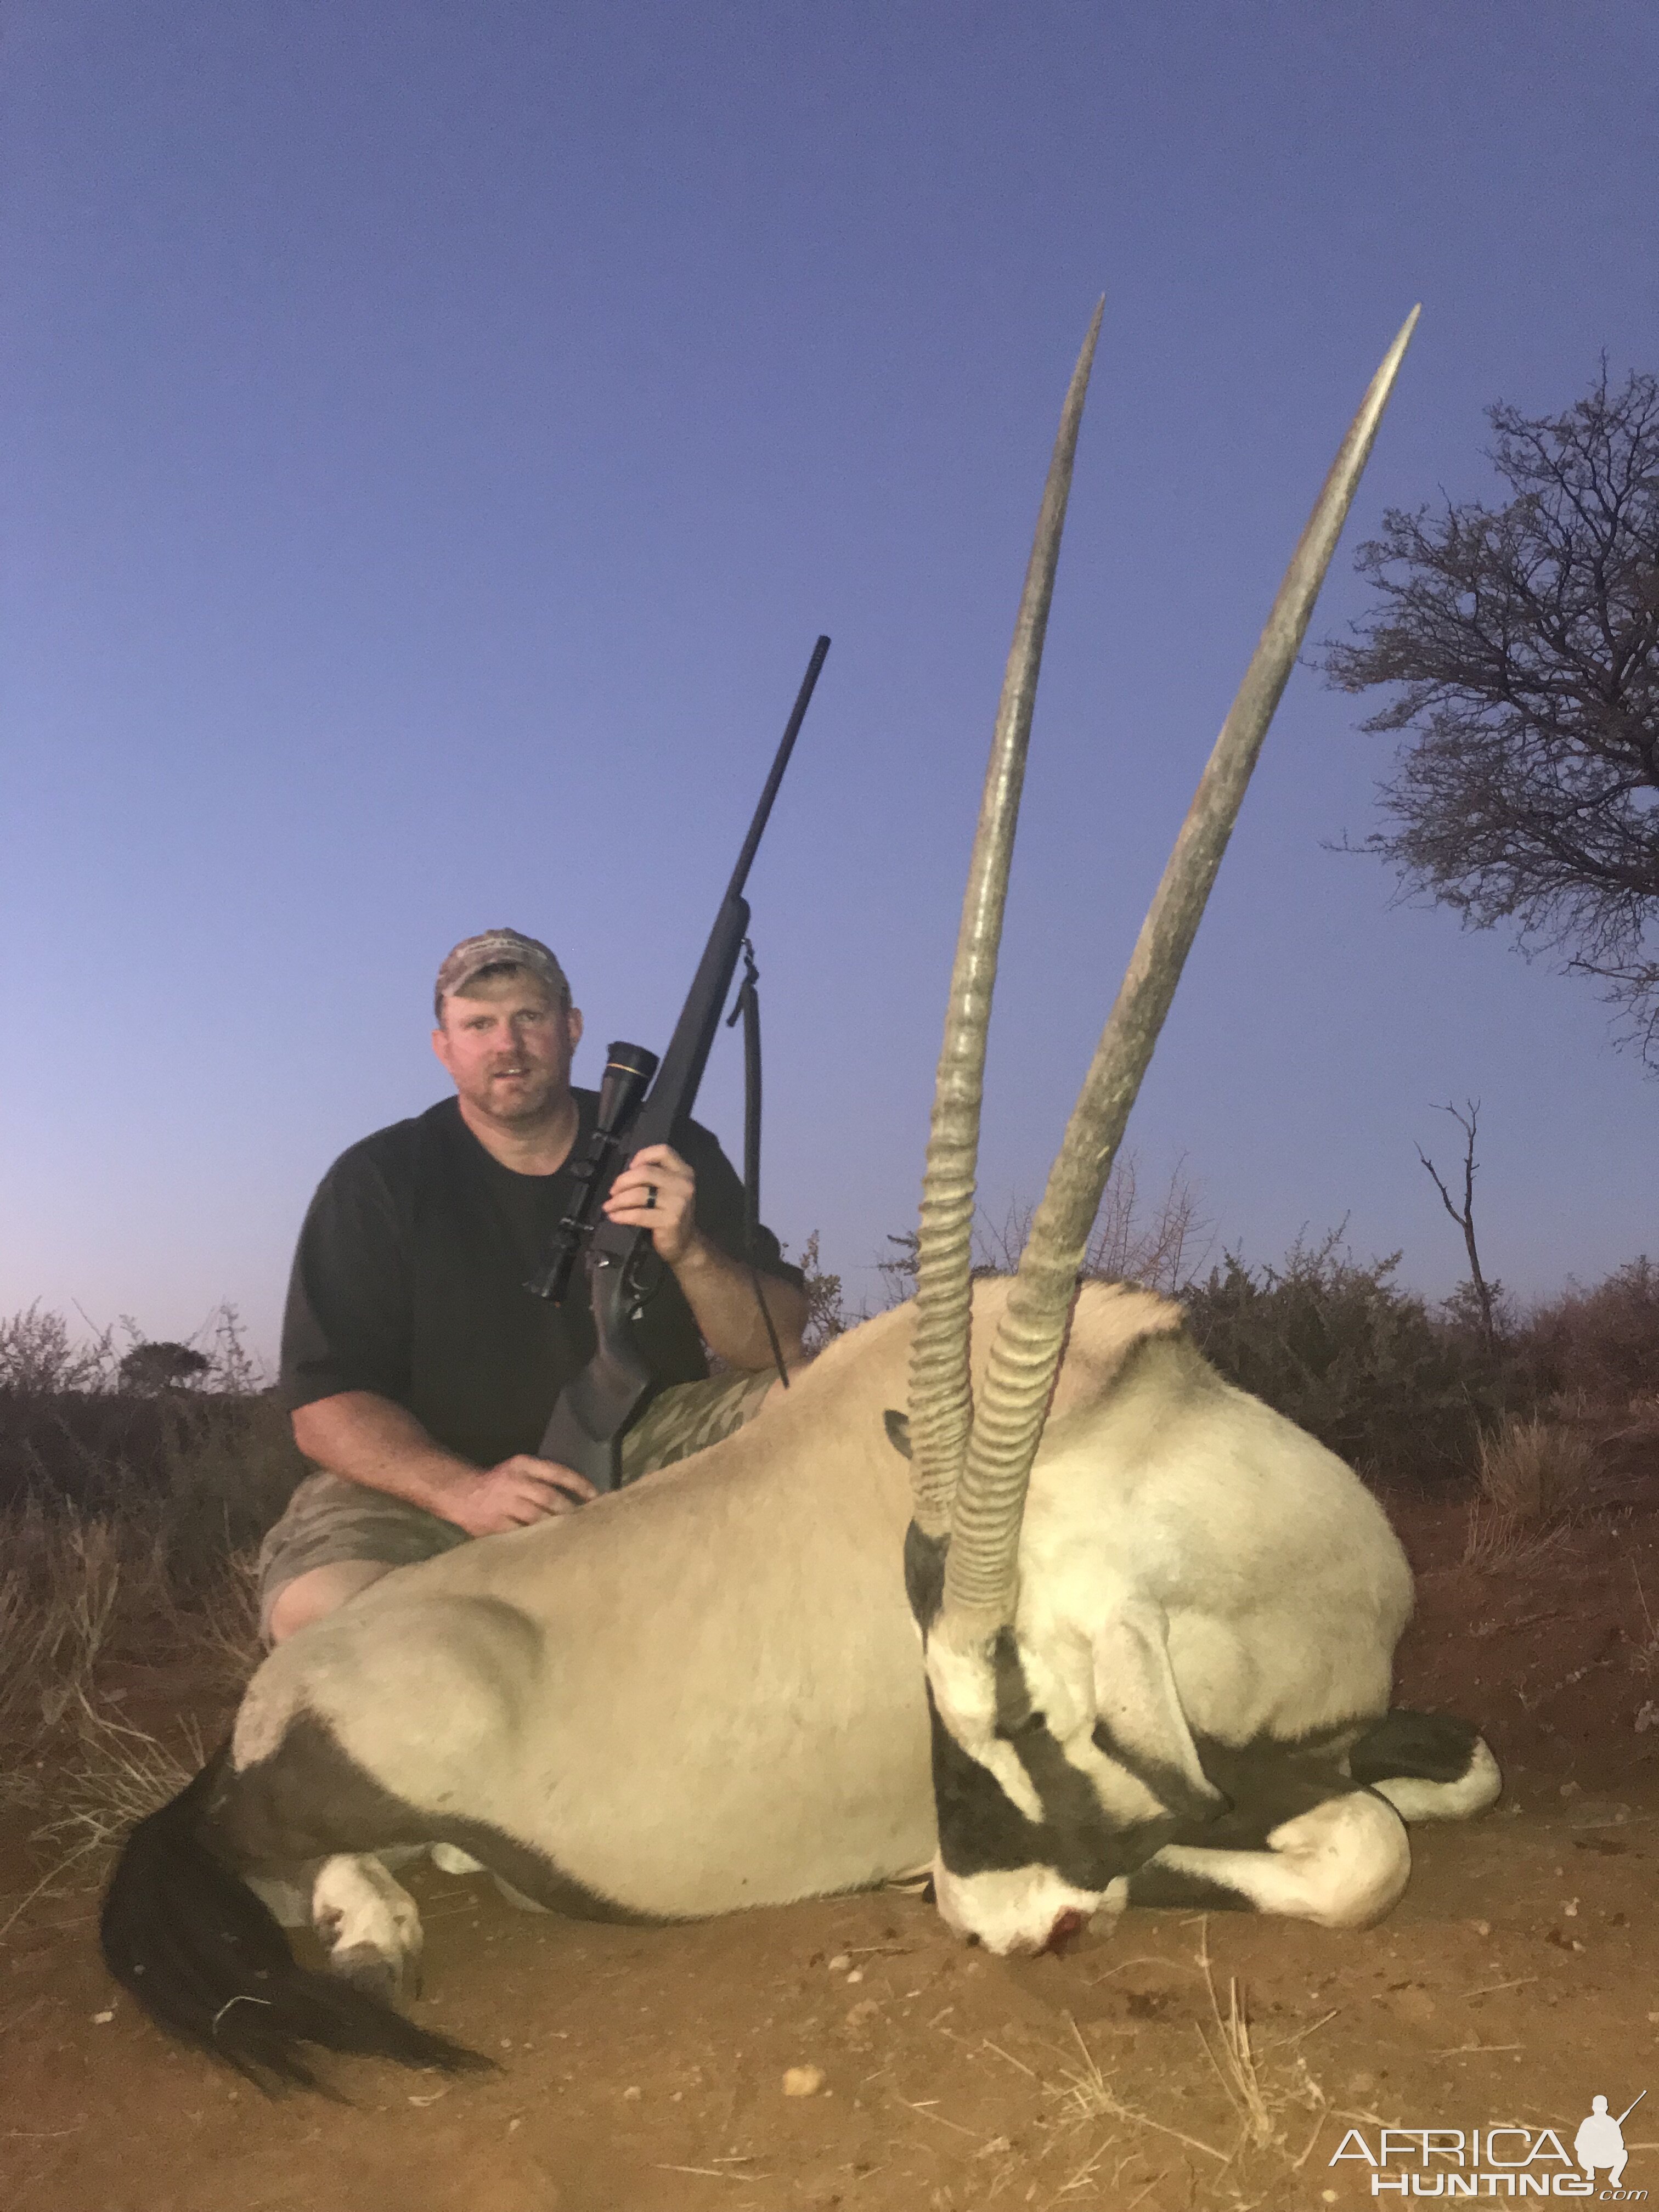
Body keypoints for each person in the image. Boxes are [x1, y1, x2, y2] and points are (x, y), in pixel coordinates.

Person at [258, 928, 809, 1645]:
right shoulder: (378, 1181)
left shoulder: (670, 1147)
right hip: (432, 1477)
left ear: (571, 1029)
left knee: (819, 1397)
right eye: (478, 1025)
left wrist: (690, 1251)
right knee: (324, 1608)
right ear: (444, 1047)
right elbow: (324, 1405)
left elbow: (778, 1342)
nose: (506, 1044)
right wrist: (464, 1492)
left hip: (646, 1447)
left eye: (529, 1017)